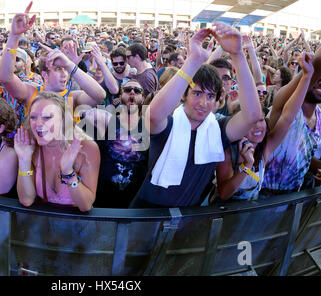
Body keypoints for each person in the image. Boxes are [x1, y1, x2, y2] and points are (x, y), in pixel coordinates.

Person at [129, 23, 262, 208]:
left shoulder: (219, 129)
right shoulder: (169, 123)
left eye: (210, 96)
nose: (203, 103)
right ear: (184, 94)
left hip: (189, 223)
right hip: (145, 217)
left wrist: (238, 55)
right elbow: (152, 116)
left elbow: (253, 116)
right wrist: (194, 60)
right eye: (197, 93)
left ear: (217, 99)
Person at [215, 53, 314, 201]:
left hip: (249, 219)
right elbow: (224, 193)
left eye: (261, 120)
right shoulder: (229, 151)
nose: (258, 126)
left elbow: (288, 116)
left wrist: (307, 76)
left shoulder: (264, 149)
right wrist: (247, 165)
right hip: (222, 219)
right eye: (252, 122)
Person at [0, 2, 106, 124]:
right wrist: (14, 36)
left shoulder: (73, 98)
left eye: (65, 69)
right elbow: (6, 78)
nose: (65, 74)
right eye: (58, 69)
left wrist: (70, 65)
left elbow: (100, 95)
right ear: (44, 74)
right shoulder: (31, 93)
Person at [14, 92, 100, 212]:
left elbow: (85, 205)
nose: (38, 123)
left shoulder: (87, 148)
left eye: (47, 117)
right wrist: (24, 160)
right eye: (33, 117)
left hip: (78, 226)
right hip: (43, 225)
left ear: (63, 120)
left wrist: (68, 173)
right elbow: (26, 200)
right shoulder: (31, 147)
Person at [261, 46, 321, 196]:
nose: (320, 83)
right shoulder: (286, 106)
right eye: (318, 79)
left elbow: (303, 153)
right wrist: (311, 70)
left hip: (293, 198)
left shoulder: (320, 118)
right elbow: (316, 68)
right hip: (262, 195)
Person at [87, 80, 149, 208]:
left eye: (137, 91)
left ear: (143, 98)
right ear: (120, 97)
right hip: (103, 199)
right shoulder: (105, 122)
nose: (132, 92)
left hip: (134, 201)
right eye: (127, 90)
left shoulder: (149, 126)